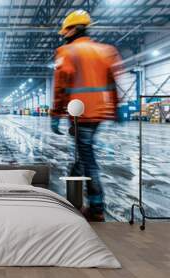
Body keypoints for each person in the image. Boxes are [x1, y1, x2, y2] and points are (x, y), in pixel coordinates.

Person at [51, 10, 121, 222]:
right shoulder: (106, 51)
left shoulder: (66, 51)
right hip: (98, 113)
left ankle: (96, 204)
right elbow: (113, 84)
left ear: (74, 29)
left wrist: (56, 113)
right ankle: (75, 196)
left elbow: (61, 86)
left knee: (87, 158)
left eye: (66, 30)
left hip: (79, 113)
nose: (64, 34)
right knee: (82, 154)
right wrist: (115, 108)